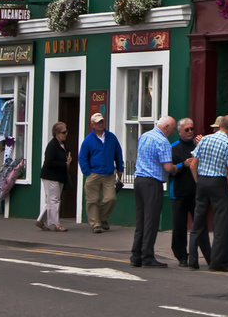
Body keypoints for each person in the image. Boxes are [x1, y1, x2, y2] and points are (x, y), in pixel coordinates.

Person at [188, 114, 228, 271]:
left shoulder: (204, 139)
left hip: (203, 181)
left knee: (197, 222)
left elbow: (193, 164)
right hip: (219, 183)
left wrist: (198, 181)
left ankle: (193, 261)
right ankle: (216, 263)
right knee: (221, 224)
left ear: (220, 125)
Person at [129, 114, 177, 268]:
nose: (173, 132)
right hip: (152, 183)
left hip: (139, 181)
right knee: (151, 220)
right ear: (167, 127)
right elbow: (168, 167)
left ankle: (136, 255)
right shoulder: (163, 141)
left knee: (141, 220)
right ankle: (147, 256)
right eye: (173, 129)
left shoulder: (145, 136)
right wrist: (177, 168)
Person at [170, 117, 211, 268]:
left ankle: (208, 255)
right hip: (179, 193)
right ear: (180, 131)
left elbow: (207, 161)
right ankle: (181, 256)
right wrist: (183, 164)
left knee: (200, 225)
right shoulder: (174, 147)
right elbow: (169, 170)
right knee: (179, 226)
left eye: (192, 129)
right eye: (186, 130)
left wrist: (201, 146)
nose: (190, 132)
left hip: (196, 192)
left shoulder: (199, 145)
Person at [79, 112, 123, 234]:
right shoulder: (88, 140)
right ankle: (95, 224)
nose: (100, 124)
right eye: (98, 122)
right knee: (92, 200)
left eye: (102, 122)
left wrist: (120, 168)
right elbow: (82, 157)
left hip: (108, 174)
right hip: (94, 174)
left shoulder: (111, 137)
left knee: (111, 199)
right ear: (92, 124)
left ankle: (102, 218)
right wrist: (87, 171)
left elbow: (118, 153)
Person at [37, 121, 73, 232]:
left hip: (59, 177)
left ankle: (40, 221)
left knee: (51, 201)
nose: (66, 134)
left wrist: (68, 162)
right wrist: (65, 164)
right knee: (54, 201)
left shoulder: (62, 145)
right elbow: (48, 162)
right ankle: (56, 225)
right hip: (50, 177)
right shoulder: (52, 145)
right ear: (56, 133)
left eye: (66, 132)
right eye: (63, 132)